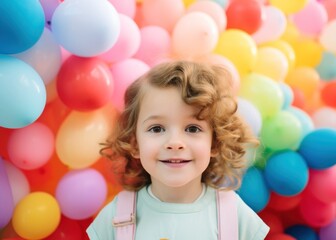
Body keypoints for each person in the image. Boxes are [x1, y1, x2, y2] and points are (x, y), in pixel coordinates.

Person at [86, 60, 269, 239]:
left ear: (214, 143)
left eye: (192, 129)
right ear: (135, 144)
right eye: (156, 129)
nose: (175, 143)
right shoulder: (116, 216)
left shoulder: (234, 215)